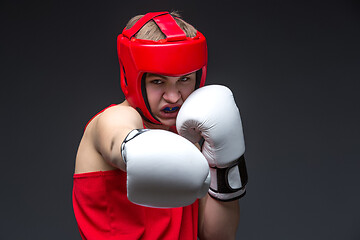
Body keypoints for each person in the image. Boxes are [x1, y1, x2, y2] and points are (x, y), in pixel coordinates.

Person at [73, 11, 248, 240]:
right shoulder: (111, 120)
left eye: (184, 79)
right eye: (158, 81)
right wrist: (133, 145)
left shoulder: (189, 148)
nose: (174, 96)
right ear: (133, 79)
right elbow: (118, 138)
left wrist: (224, 165)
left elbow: (218, 236)